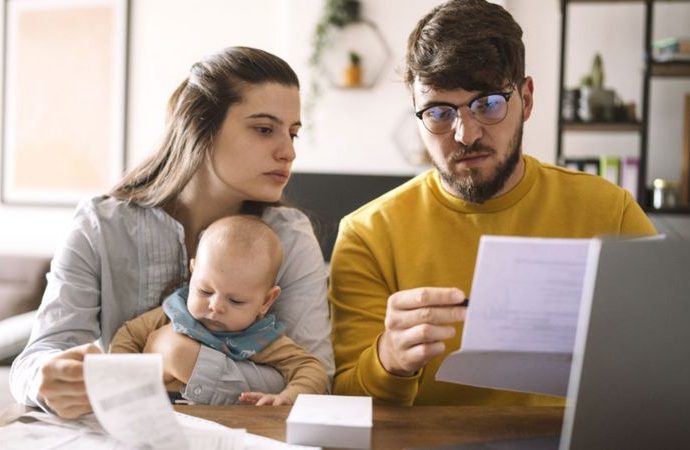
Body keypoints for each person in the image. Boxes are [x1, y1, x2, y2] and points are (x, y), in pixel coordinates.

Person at [328, 0, 656, 406]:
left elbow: (665, 364)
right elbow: (343, 406)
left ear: (527, 99)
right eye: (439, 112)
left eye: (488, 104)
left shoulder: (611, 213)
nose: (465, 134)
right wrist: (389, 360)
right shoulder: (368, 235)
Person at [10, 46, 334, 418]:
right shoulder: (100, 226)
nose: (288, 152)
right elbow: (35, 359)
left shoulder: (290, 237)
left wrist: (183, 358)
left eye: (292, 134)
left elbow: (316, 377)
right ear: (200, 128)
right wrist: (45, 379)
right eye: (264, 129)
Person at [110, 215, 329, 405]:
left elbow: (312, 370)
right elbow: (128, 335)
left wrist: (288, 397)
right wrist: (121, 382)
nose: (215, 306)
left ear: (266, 301)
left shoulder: (261, 338)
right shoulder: (174, 312)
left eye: (235, 300)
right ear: (193, 272)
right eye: (205, 291)